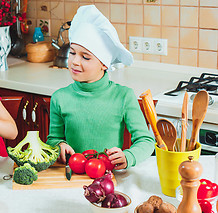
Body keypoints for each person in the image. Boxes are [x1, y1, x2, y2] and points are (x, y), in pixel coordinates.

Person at [46, 5, 155, 170]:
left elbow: (146, 141)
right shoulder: (60, 98)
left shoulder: (123, 96)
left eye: (86, 57)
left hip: (108, 178)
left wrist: (129, 156)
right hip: (72, 176)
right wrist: (59, 145)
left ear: (104, 64)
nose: (75, 61)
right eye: (73, 52)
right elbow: (53, 139)